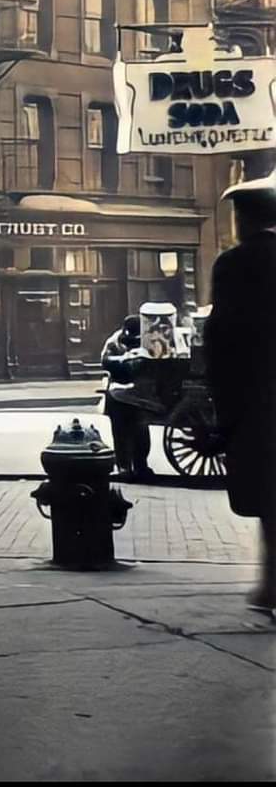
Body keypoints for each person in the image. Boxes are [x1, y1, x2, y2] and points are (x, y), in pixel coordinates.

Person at [205, 172, 276, 614]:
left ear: (244, 220)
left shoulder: (234, 264)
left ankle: (271, 584)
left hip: (260, 402)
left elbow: (222, 339)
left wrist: (222, 411)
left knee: (269, 497)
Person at [100, 315, 154, 481]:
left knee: (141, 433)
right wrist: (127, 361)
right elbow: (106, 361)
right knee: (121, 433)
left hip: (138, 396)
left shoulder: (148, 339)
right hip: (118, 395)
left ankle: (140, 465)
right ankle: (123, 466)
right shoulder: (114, 341)